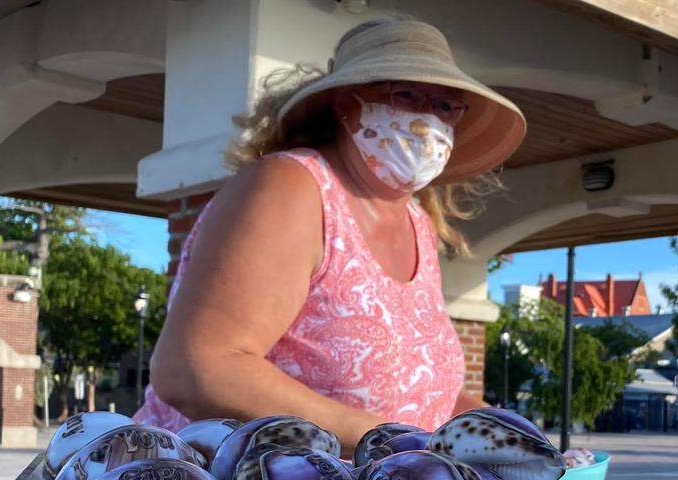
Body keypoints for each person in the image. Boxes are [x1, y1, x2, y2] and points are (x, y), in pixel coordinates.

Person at [135, 18, 526, 451]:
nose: (426, 119)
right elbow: (195, 367)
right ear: (345, 103)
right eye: (407, 95)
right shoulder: (292, 186)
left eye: (446, 106)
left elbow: (423, 391)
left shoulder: (418, 224)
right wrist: (389, 444)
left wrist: (505, 433)